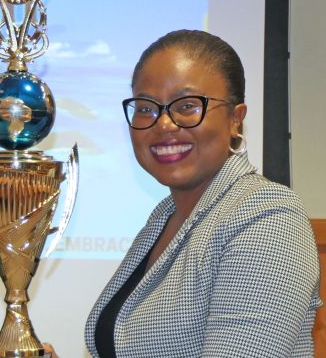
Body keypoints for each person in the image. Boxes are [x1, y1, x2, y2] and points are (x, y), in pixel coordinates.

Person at [84, 29, 322, 357]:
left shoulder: (267, 216)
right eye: (146, 108)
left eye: (187, 106)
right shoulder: (165, 216)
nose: (163, 124)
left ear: (235, 119)